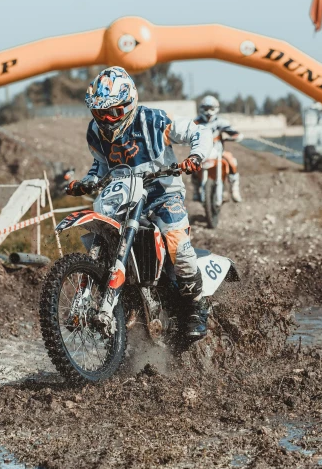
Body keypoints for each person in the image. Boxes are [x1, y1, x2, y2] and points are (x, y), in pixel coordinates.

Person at [65, 66, 213, 339]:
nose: (107, 120)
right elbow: (100, 165)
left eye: (113, 113)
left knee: (178, 246)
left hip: (162, 193)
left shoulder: (153, 120)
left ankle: (196, 308)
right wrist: (86, 181)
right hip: (121, 195)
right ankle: (115, 300)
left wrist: (195, 157)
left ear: (129, 103)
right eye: (100, 114)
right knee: (102, 235)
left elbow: (199, 131)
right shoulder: (95, 133)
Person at [192, 95, 244, 203]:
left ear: (216, 109)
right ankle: (196, 190)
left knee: (232, 161)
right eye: (206, 109)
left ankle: (234, 189)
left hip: (218, 151)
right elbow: (186, 133)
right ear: (201, 109)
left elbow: (234, 132)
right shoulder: (196, 122)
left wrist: (234, 137)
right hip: (201, 153)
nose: (208, 112)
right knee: (191, 164)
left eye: (211, 109)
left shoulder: (221, 122)